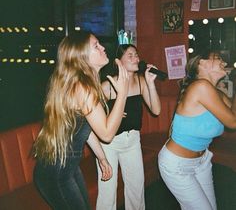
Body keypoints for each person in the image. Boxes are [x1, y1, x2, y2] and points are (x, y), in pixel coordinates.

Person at [33, 31, 129, 210]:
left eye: (100, 43)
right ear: (81, 57)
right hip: (56, 173)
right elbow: (107, 134)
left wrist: (101, 157)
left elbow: (87, 128)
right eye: (96, 46)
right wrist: (122, 94)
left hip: (67, 167)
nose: (102, 48)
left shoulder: (83, 84)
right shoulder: (82, 87)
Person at [158, 51, 236, 210]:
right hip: (177, 165)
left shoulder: (217, 94)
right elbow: (233, 123)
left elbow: (233, 116)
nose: (223, 62)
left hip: (202, 161)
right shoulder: (201, 87)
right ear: (201, 63)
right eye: (217, 58)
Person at [96, 44, 161, 210]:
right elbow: (92, 116)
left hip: (132, 140)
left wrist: (150, 83)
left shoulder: (140, 82)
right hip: (109, 144)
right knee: (108, 191)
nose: (136, 58)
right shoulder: (108, 86)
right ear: (119, 62)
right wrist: (110, 114)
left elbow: (156, 110)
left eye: (136, 55)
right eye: (130, 56)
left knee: (136, 188)